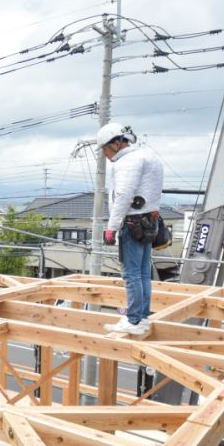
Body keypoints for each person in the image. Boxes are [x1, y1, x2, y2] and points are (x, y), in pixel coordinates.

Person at [98, 122, 164, 336]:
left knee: (131, 274)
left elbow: (124, 196)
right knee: (143, 271)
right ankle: (142, 317)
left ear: (117, 144)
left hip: (132, 223)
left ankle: (134, 319)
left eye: (106, 149)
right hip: (149, 221)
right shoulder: (147, 156)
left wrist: (111, 227)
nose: (105, 155)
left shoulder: (127, 162)